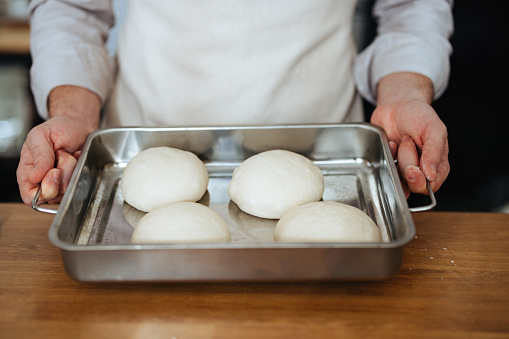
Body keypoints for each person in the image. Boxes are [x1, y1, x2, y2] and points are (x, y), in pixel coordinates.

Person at [17, 0, 453, 206]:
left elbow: (412, 7)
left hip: (329, 157)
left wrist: (403, 97)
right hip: (137, 149)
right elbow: (72, 8)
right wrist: (72, 113)